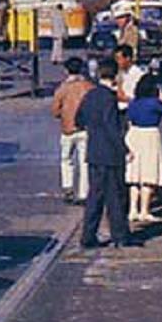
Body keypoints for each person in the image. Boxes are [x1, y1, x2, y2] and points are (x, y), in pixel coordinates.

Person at [75, 58, 132, 248]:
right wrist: (124, 149)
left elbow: (78, 119)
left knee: (95, 197)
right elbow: (111, 127)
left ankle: (88, 236)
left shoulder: (90, 95)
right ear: (115, 76)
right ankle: (120, 236)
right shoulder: (109, 98)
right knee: (115, 198)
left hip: (94, 153)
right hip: (110, 155)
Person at [125, 74, 162, 222]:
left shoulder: (134, 102)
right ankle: (144, 210)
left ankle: (133, 210)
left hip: (133, 135)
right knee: (148, 176)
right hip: (150, 136)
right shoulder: (155, 103)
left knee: (134, 177)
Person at [51, 57, 94, 204]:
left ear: (66, 70)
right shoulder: (88, 86)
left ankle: (68, 188)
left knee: (66, 160)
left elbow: (55, 111)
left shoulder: (62, 88)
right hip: (86, 129)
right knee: (84, 162)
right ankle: (83, 193)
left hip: (67, 129)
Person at [113, 44, 145, 112]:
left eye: (119, 59)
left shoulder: (138, 75)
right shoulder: (121, 73)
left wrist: (119, 84)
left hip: (129, 109)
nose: (117, 62)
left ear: (128, 58)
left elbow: (130, 98)